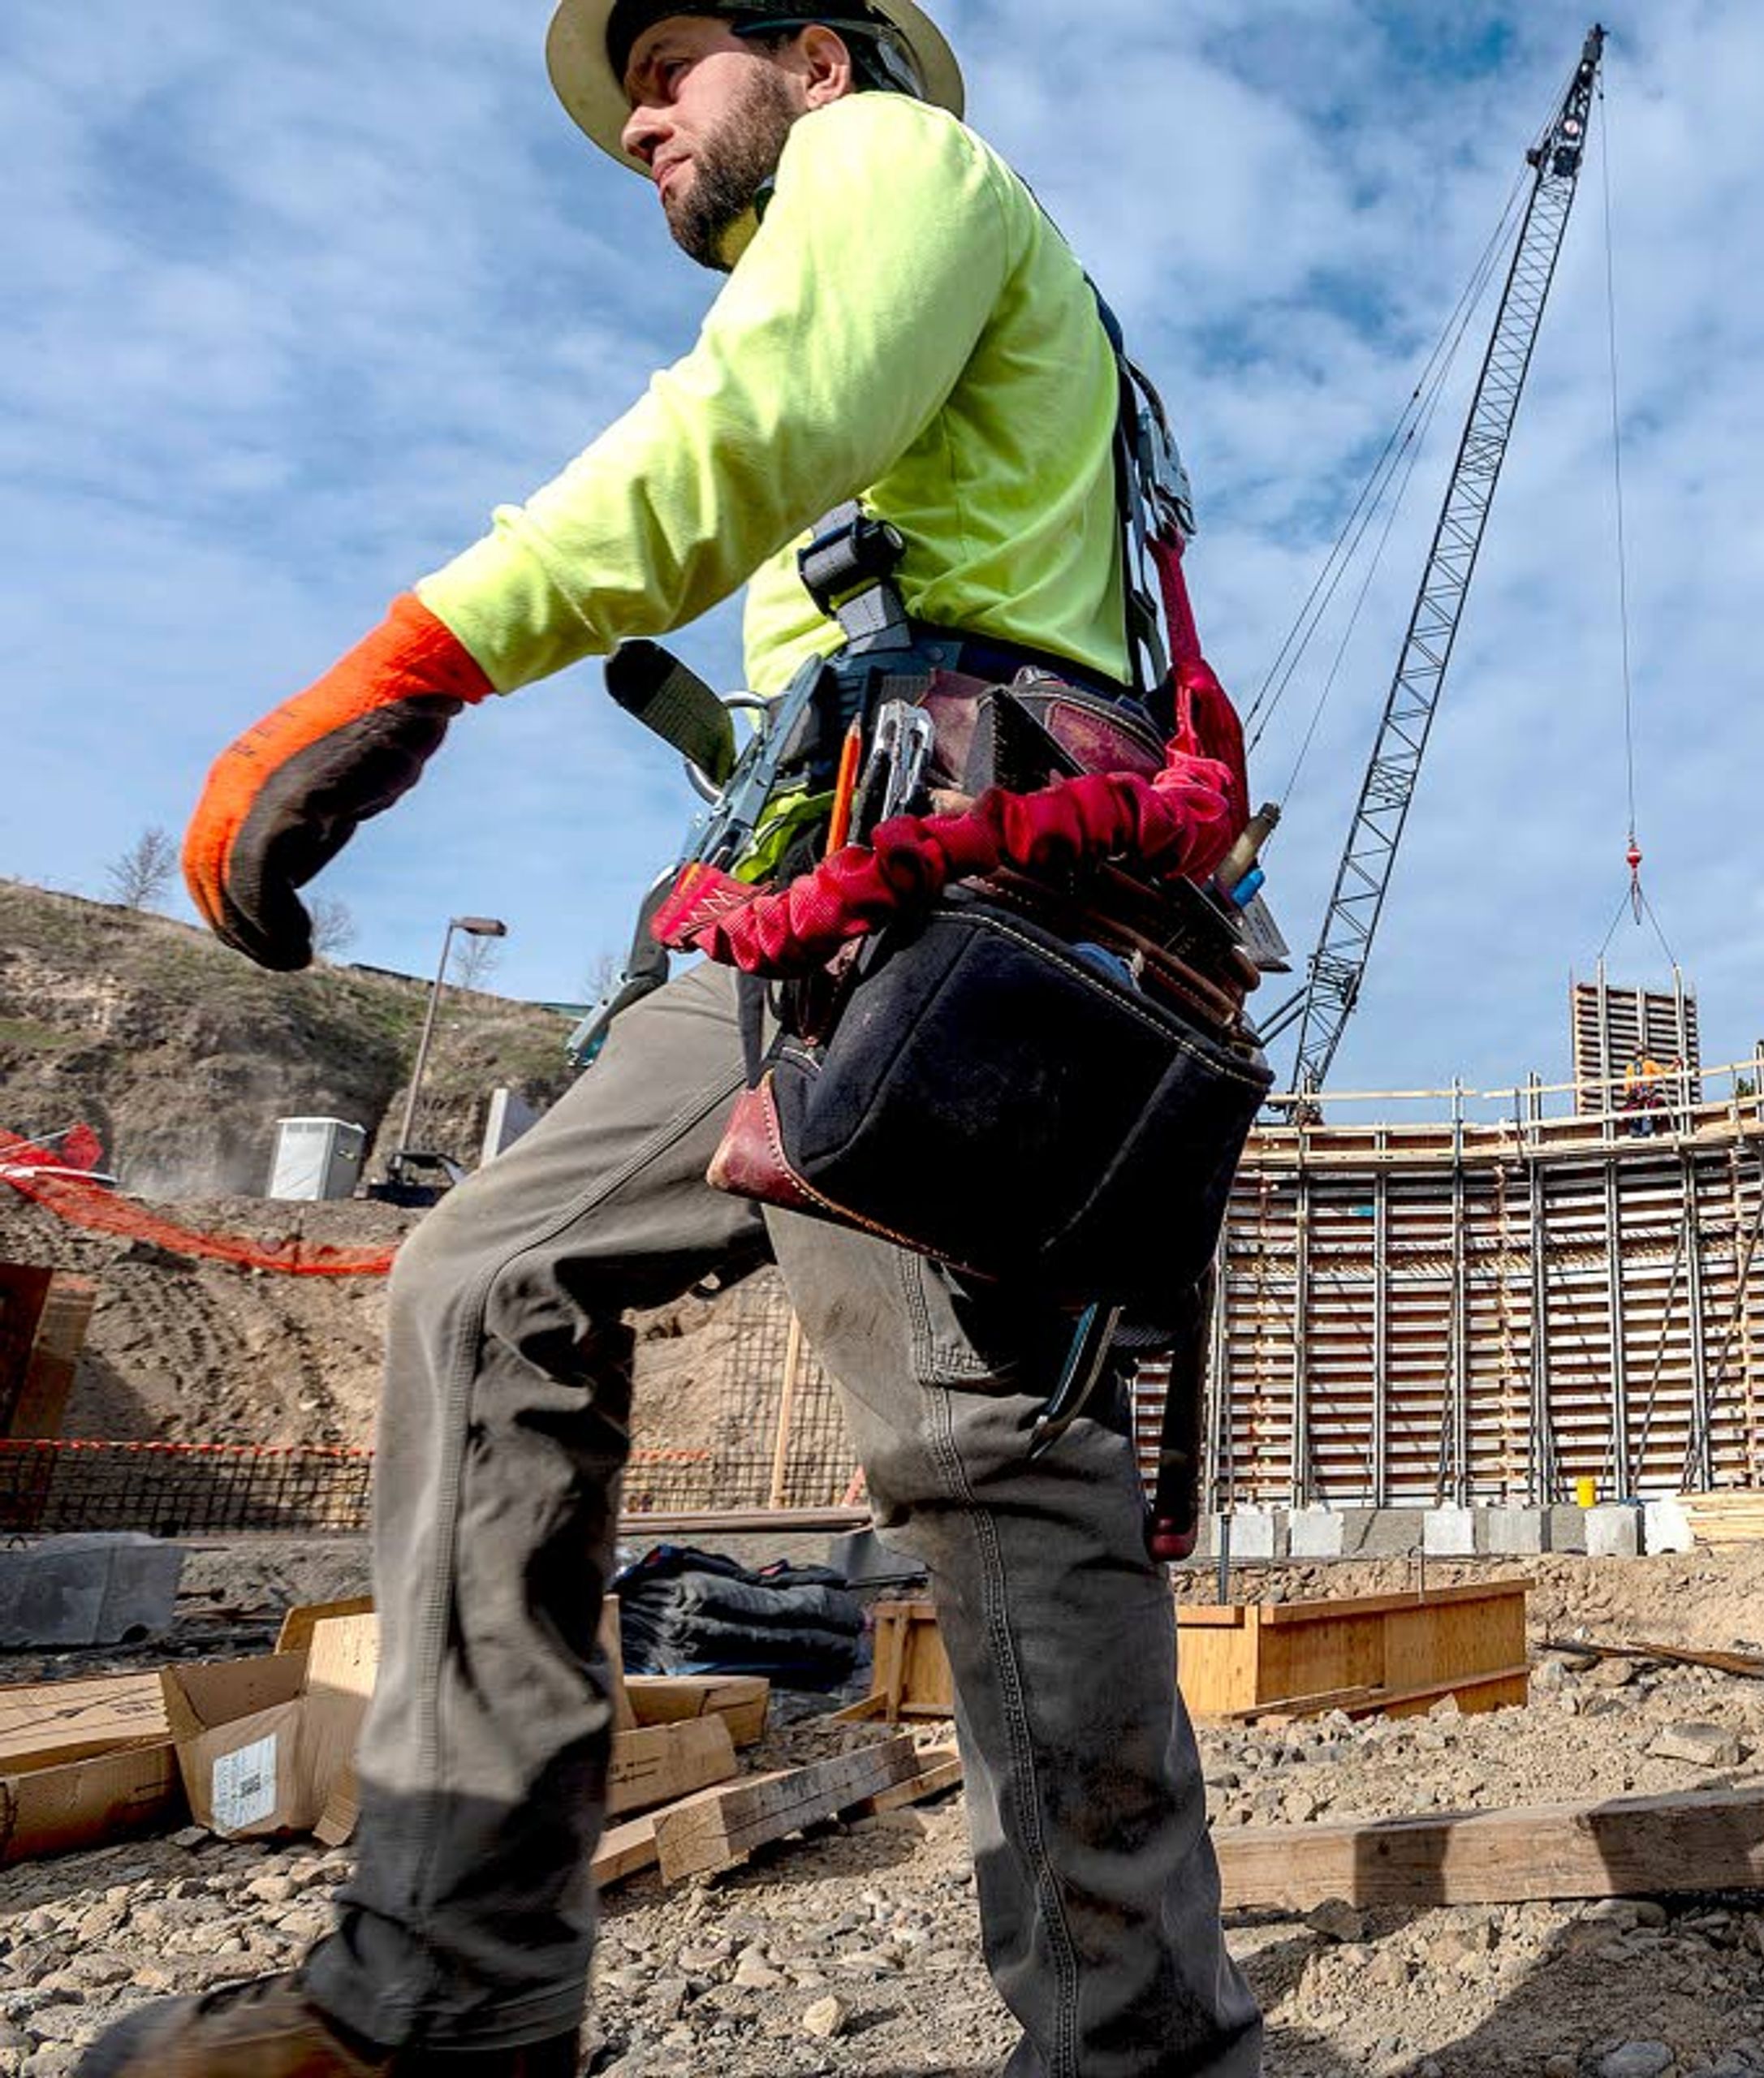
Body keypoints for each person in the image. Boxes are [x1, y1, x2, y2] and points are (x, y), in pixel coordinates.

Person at [94, 6, 1260, 2073]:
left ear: (814, 62)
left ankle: (1141, 2049)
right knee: (480, 1272)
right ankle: (443, 2002)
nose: (638, 118)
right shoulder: (900, 282)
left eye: (673, 65)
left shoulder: (898, 170)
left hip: (953, 909)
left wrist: (416, 660)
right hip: (801, 904)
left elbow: (753, 421)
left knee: (985, 1445)